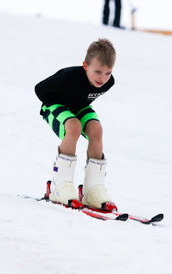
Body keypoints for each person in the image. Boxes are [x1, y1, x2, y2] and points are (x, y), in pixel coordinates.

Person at [34, 38, 117, 212]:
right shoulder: (68, 77)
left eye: (108, 73)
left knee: (96, 130)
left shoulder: (109, 82)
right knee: (73, 127)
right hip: (53, 105)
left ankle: (93, 189)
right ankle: (60, 185)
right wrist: (61, 110)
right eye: (98, 72)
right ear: (85, 66)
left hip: (79, 107)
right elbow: (39, 89)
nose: (103, 79)